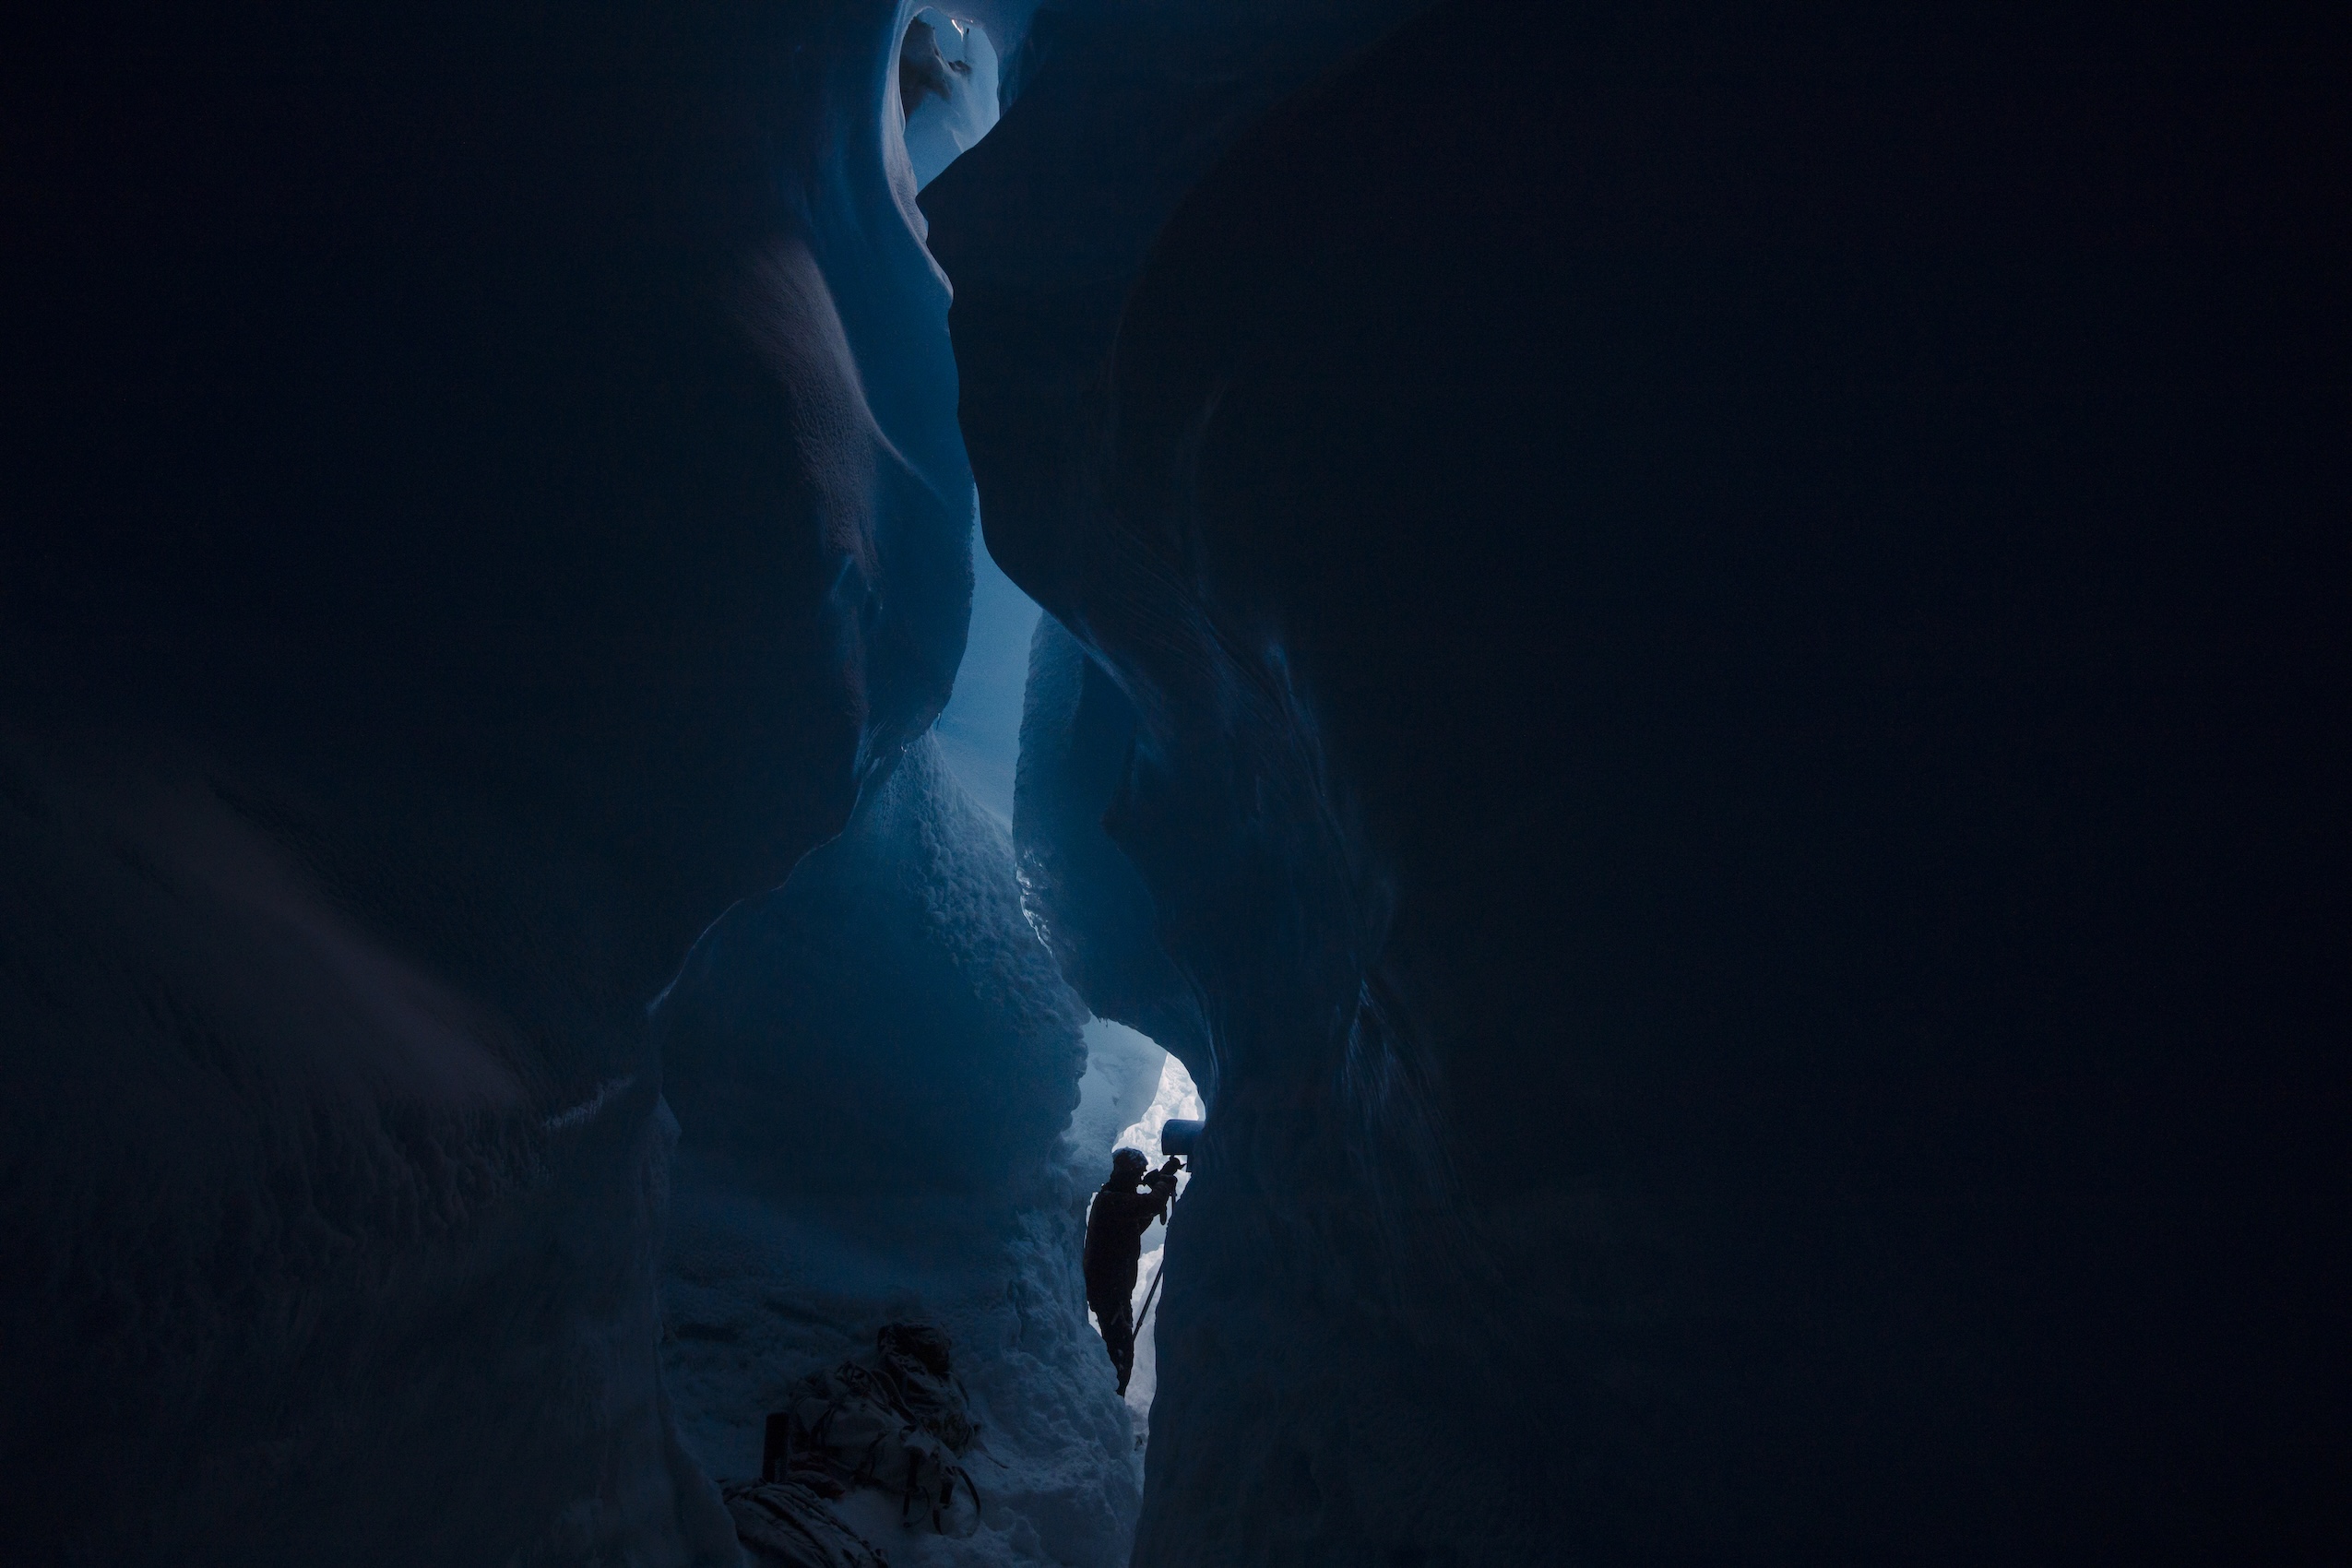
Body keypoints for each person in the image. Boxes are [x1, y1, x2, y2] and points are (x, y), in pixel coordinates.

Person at [1082, 1147, 1181, 1395]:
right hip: (1110, 1291)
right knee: (1120, 1354)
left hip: (1113, 1289)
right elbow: (1150, 1204)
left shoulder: (1114, 1200)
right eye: (1137, 1175)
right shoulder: (1110, 1201)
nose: (1139, 1180)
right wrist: (1163, 1184)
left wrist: (1160, 1183)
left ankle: (1110, 1405)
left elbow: (1139, 1217)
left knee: (1119, 1352)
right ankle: (1110, 1406)